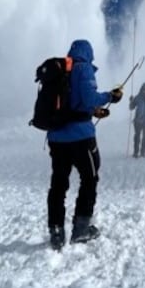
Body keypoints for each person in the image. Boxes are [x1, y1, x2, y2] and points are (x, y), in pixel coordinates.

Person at [46, 39, 123, 249]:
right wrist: (111, 96)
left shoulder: (60, 71)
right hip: (80, 138)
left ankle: (56, 230)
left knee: (58, 184)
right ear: (88, 53)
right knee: (90, 178)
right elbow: (89, 98)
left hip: (56, 138)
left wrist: (93, 112)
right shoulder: (83, 68)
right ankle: (80, 229)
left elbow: (72, 104)